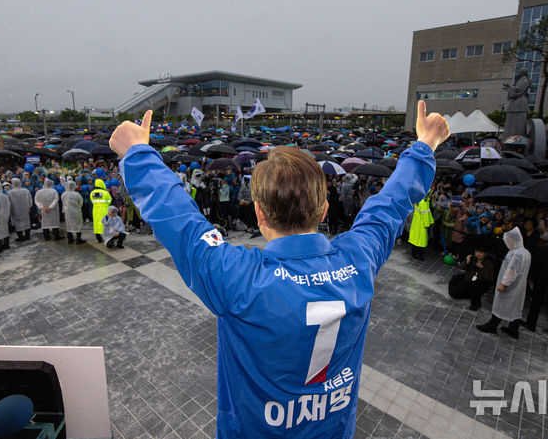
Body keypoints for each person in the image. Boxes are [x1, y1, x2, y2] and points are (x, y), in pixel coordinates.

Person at [109, 101, 449, 438]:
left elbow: (181, 219)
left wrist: (138, 153)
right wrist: (424, 145)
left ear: (259, 213)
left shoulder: (239, 277)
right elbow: (388, 206)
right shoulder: (356, 261)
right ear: (323, 211)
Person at [476, 227, 531, 339]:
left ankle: (492, 325)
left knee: (500, 305)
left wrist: (503, 283)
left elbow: (512, 270)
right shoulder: (525, 252)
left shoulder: (516, 254)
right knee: (515, 307)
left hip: (510, 286)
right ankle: (513, 329)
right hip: (519, 286)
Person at [448, 245, 496, 311]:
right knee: (453, 292)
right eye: (477, 252)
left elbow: (490, 278)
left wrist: (482, 268)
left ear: (485, 254)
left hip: (480, 284)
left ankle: (476, 303)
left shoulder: (489, 263)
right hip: (468, 280)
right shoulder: (472, 258)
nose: (478, 254)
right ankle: (469, 294)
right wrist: (467, 262)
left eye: (481, 253)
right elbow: (461, 267)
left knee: (476, 285)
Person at [61, 180, 86, 244]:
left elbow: (63, 202)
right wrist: (77, 207)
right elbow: (81, 202)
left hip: (67, 212)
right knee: (78, 224)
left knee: (69, 225)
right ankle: (78, 239)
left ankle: (70, 239)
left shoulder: (64, 194)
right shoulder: (76, 194)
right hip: (76, 211)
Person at [90, 179, 112, 243]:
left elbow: (92, 201)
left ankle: (98, 238)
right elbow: (109, 201)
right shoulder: (105, 193)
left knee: (96, 224)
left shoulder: (92, 193)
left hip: (95, 211)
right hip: (104, 210)